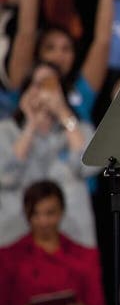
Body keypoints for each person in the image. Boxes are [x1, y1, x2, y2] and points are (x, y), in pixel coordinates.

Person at [0, 64, 98, 246]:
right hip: (16, 235)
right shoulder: (6, 131)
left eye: (51, 85)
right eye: (38, 85)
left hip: (72, 234)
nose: (45, 93)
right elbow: (6, 176)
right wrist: (30, 124)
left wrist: (63, 113)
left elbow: (89, 166)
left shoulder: (79, 129)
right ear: (26, 91)